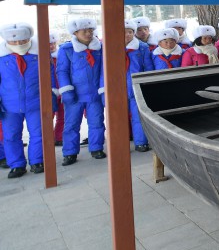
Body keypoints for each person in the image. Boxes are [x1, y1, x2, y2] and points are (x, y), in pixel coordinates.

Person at [0, 23, 47, 177]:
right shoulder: (1, 59)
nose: (19, 44)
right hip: (9, 106)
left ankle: (37, 161)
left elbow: (49, 77)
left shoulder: (39, 56)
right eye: (14, 41)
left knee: (38, 133)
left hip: (35, 102)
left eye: (22, 40)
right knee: (11, 136)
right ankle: (17, 165)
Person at [99, 19, 153, 152]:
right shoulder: (109, 48)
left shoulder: (142, 47)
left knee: (138, 116)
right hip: (117, 89)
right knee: (118, 118)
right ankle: (119, 143)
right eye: (124, 32)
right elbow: (103, 70)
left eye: (130, 32)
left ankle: (141, 142)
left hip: (136, 87)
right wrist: (103, 89)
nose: (127, 35)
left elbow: (148, 67)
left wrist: (149, 84)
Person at [57, 18, 105, 165]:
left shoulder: (100, 48)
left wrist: (103, 90)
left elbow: (104, 70)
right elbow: (62, 71)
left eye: (90, 30)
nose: (88, 33)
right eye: (84, 31)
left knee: (97, 122)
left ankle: (96, 148)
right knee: (71, 124)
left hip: (94, 94)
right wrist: (66, 90)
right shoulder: (66, 49)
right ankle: (70, 152)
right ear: (75, 32)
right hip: (75, 95)